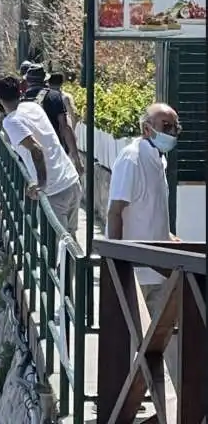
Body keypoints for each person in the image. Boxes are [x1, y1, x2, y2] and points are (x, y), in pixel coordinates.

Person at [106, 102, 180, 391]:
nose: (172, 132)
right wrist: (117, 261)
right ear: (146, 128)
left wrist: (169, 235)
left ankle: (168, 399)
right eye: (166, 126)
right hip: (139, 270)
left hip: (158, 268)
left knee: (161, 339)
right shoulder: (132, 159)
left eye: (175, 127)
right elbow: (115, 212)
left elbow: (150, 209)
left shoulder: (158, 159)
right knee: (146, 341)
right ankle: (142, 399)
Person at [0, 75, 82, 239]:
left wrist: (41, 183)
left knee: (55, 248)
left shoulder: (11, 122)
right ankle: (72, 266)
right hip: (71, 181)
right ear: (20, 92)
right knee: (70, 243)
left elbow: (36, 149)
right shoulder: (32, 107)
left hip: (54, 190)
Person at [22, 64, 83, 175]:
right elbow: (65, 127)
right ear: (45, 80)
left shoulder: (21, 101)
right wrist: (76, 158)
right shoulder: (54, 96)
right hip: (54, 151)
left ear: (27, 82)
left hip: (31, 154)